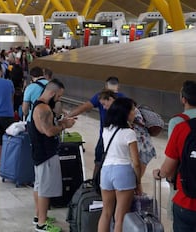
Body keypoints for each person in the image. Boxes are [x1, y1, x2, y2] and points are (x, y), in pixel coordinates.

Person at [28, 79, 75, 232]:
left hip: (39, 152)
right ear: (53, 93)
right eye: (59, 96)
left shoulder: (39, 105)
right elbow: (48, 131)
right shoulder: (44, 109)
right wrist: (64, 126)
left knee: (39, 185)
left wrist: (60, 121)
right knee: (45, 189)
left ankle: (39, 216)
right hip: (46, 154)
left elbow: (44, 127)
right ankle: (42, 223)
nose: (59, 99)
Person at [153, 80, 196, 232]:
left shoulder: (178, 123)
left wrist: (160, 173)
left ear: (183, 99)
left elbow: (172, 163)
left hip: (186, 197)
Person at [97, 97, 141, 232]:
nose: (135, 113)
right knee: (120, 216)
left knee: (106, 213)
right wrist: (138, 182)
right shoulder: (129, 133)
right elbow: (136, 162)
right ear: (125, 113)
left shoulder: (106, 130)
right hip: (123, 172)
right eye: (133, 111)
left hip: (105, 172)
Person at [67, 76, 126, 177]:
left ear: (106, 86)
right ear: (118, 86)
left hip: (105, 136)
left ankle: (95, 182)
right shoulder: (123, 97)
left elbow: (84, 107)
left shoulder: (100, 96)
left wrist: (68, 116)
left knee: (99, 160)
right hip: (120, 136)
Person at [98, 90, 156, 178]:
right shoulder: (118, 111)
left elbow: (134, 125)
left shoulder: (127, 109)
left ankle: (137, 188)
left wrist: (138, 183)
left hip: (143, 146)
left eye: (104, 104)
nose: (104, 107)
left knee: (137, 175)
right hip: (136, 145)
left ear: (110, 99)